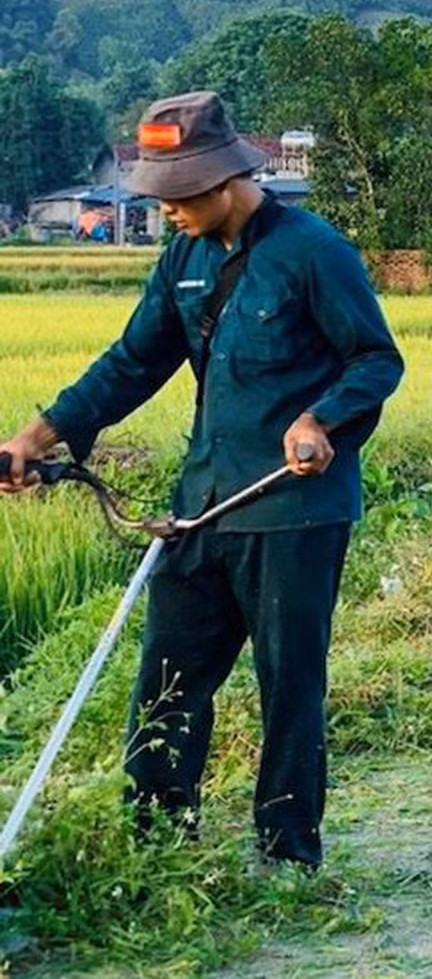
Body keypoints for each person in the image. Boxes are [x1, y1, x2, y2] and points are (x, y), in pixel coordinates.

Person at [0, 91, 404, 867]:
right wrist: (35, 436)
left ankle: (287, 859)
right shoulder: (181, 258)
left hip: (293, 509)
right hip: (202, 508)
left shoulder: (314, 252)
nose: (165, 210)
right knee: (167, 684)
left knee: (288, 689)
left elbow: (377, 360)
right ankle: (157, 851)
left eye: (177, 196)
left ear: (224, 181)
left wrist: (321, 418)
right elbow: (131, 364)